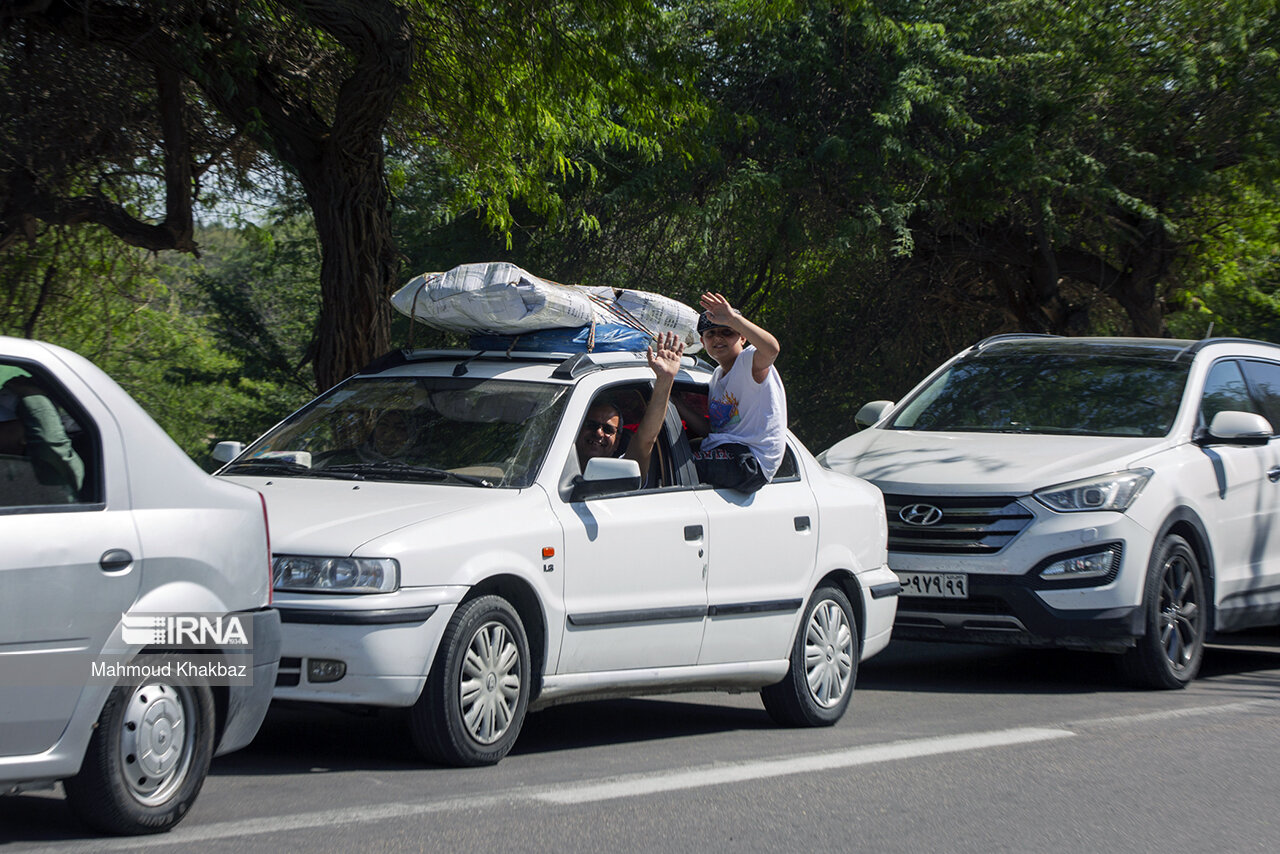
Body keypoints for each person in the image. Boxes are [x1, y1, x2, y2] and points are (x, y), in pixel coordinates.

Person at [686, 292, 786, 493]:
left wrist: (733, 319)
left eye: (727, 332)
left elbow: (772, 349)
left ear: (742, 337)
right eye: (710, 334)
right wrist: (675, 403)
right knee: (673, 454)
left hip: (752, 462)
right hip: (727, 452)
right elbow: (714, 430)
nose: (718, 338)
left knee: (676, 466)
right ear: (702, 341)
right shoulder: (715, 377)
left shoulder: (749, 361)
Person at [575, 331, 685, 482]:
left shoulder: (622, 473)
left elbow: (645, 440)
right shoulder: (546, 466)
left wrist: (665, 379)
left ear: (617, 442)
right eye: (591, 425)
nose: (599, 433)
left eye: (608, 429)